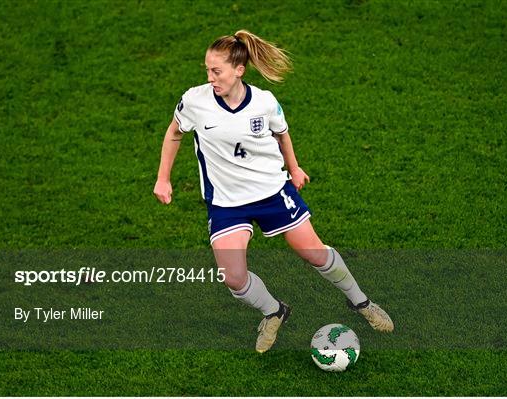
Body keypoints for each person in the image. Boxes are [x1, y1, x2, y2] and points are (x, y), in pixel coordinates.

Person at [153, 30, 393, 353]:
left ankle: (361, 302)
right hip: (226, 202)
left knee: (315, 254)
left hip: (271, 191)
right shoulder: (195, 101)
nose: (210, 78)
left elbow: (282, 134)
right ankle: (274, 311)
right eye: (207, 70)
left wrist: (294, 169)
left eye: (216, 71)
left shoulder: (264, 102)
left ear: (239, 70)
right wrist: (163, 178)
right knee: (233, 277)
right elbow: (173, 133)